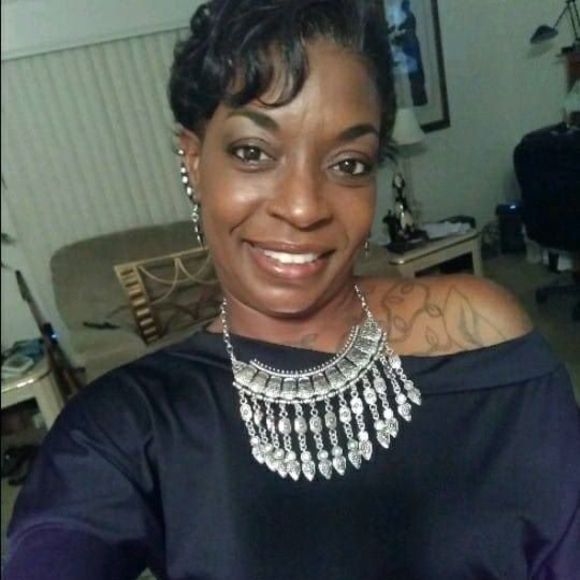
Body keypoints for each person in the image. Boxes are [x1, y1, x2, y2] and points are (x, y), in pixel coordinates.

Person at [5, 1, 579, 578]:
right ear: (194, 160)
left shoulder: (479, 334)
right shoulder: (128, 425)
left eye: (348, 163)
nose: (303, 208)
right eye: (253, 153)